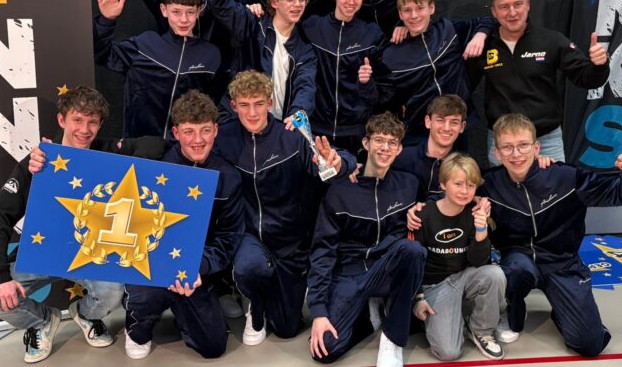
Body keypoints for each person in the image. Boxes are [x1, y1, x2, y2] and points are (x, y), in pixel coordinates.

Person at [0, 86, 165, 363]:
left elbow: (156, 145)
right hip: (41, 255)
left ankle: (86, 315)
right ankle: (41, 322)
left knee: (113, 291)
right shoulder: (38, 162)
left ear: (100, 124)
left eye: (93, 122)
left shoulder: (105, 152)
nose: (85, 130)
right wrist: (0, 277)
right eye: (77, 120)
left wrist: (119, 156)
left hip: (90, 257)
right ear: (61, 120)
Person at [482, 113, 622, 357]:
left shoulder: (566, 177)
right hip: (519, 261)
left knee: (590, 345)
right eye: (507, 147)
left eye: (523, 145)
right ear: (497, 153)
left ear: (536, 148)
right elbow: (451, 193)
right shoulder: (488, 184)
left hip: (562, 263)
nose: (516, 154)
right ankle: (514, 310)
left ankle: (562, 312)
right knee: (516, 270)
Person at [214, 71, 356, 345]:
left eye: (258, 103)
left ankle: (272, 296)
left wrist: (339, 163)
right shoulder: (224, 138)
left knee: (287, 328)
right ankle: (254, 305)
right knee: (249, 267)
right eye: (244, 104)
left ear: (270, 103)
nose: (252, 112)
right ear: (233, 106)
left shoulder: (291, 136)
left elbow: (331, 163)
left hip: (290, 243)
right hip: (248, 237)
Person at [123, 90, 244, 359]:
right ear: (176, 133)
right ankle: (138, 325)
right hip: (150, 262)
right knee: (146, 297)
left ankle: (184, 310)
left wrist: (199, 267)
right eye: (189, 131)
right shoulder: (153, 164)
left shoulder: (228, 177)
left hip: (194, 268)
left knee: (213, 347)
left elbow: (229, 236)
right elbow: (96, 151)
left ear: (215, 131)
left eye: (205, 131)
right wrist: (43, 156)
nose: (198, 140)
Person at [308, 112, 425, 367]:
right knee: (324, 351)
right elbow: (323, 251)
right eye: (379, 140)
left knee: (412, 250)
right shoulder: (339, 190)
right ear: (366, 143)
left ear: (400, 148)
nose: (385, 148)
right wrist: (318, 311)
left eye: (392, 142)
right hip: (349, 274)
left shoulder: (409, 184)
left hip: (385, 270)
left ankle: (392, 338)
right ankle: (365, 319)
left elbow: (442, 202)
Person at [466, 0, 609, 164]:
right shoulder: (482, 47)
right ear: (494, 11)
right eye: (504, 7)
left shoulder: (551, 40)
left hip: (546, 140)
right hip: (502, 142)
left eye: (518, 4)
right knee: (502, 185)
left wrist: (599, 65)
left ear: (528, 5)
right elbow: (463, 87)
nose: (512, 12)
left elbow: (587, 79)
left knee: (555, 184)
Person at [206, 0, 317, 125]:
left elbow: (305, 87)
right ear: (274, 2)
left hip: (277, 128)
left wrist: (298, 114)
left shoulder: (304, 49)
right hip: (239, 123)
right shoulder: (252, 24)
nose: (297, 4)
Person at [92, 0, 220, 139]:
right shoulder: (144, 45)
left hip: (186, 146)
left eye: (190, 12)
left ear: (198, 11)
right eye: (176, 12)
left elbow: (214, 105)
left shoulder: (211, 55)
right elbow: (101, 54)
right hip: (140, 145)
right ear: (164, 10)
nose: (184, 19)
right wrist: (106, 20)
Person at [411, 153, 506, 361]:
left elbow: (479, 263)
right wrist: (418, 298)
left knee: (494, 274)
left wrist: (481, 230)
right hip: (434, 286)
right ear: (443, 184)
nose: (464, 191)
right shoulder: (423, 215)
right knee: (449, 353)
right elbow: (412, 263)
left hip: (464, 277)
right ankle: (454, 316)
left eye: (471, 185)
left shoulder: (474, 213)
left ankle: (482, 330)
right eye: (458, 184)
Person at [371, 0, 491, 142]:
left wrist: (480, 36)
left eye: (420, 8)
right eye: (407, 10)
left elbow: (487, 21)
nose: (414, 16)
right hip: (420, 133)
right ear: (400, 14)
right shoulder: (391, 55)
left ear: (432, 8)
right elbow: (383, 97)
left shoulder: (448, 30)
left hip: (457, 125)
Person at [302, 0, 386, 154]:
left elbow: (383, 93)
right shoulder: (312, 27)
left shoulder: (372, 34)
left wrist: (367, 83)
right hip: (316, 127)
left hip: (355, 131)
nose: (351, 1)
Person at [392, 95, 467, 204]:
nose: (447, 128)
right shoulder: (401, 158)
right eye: (440, 120)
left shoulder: (465, 166)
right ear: (428, 122)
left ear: (462, 127)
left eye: (454, 122)